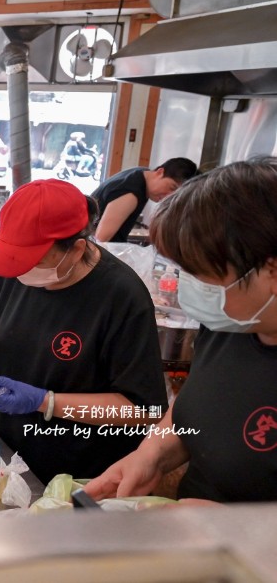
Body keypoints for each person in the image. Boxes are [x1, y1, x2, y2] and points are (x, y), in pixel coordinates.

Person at [0, 179, 167, 484]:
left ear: (77, 249)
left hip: (76, 473)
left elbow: (144, 411)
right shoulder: (18, 271)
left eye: (32, 261)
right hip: (8, 452)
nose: (20, 271)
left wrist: (48, 402)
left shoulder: (121, 297)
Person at [86, 158, 277, 505]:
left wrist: (235, 527)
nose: (187, 285)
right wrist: (151, 455)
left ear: (272, 270)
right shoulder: (231, 324)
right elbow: (201, 407)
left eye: (201, 273)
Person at [91, 157, 198, 243]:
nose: (168, 197)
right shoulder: (130, 194)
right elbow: (100, 239)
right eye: (172, 188)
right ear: (160, 172)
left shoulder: (142, 173)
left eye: (175, 195)